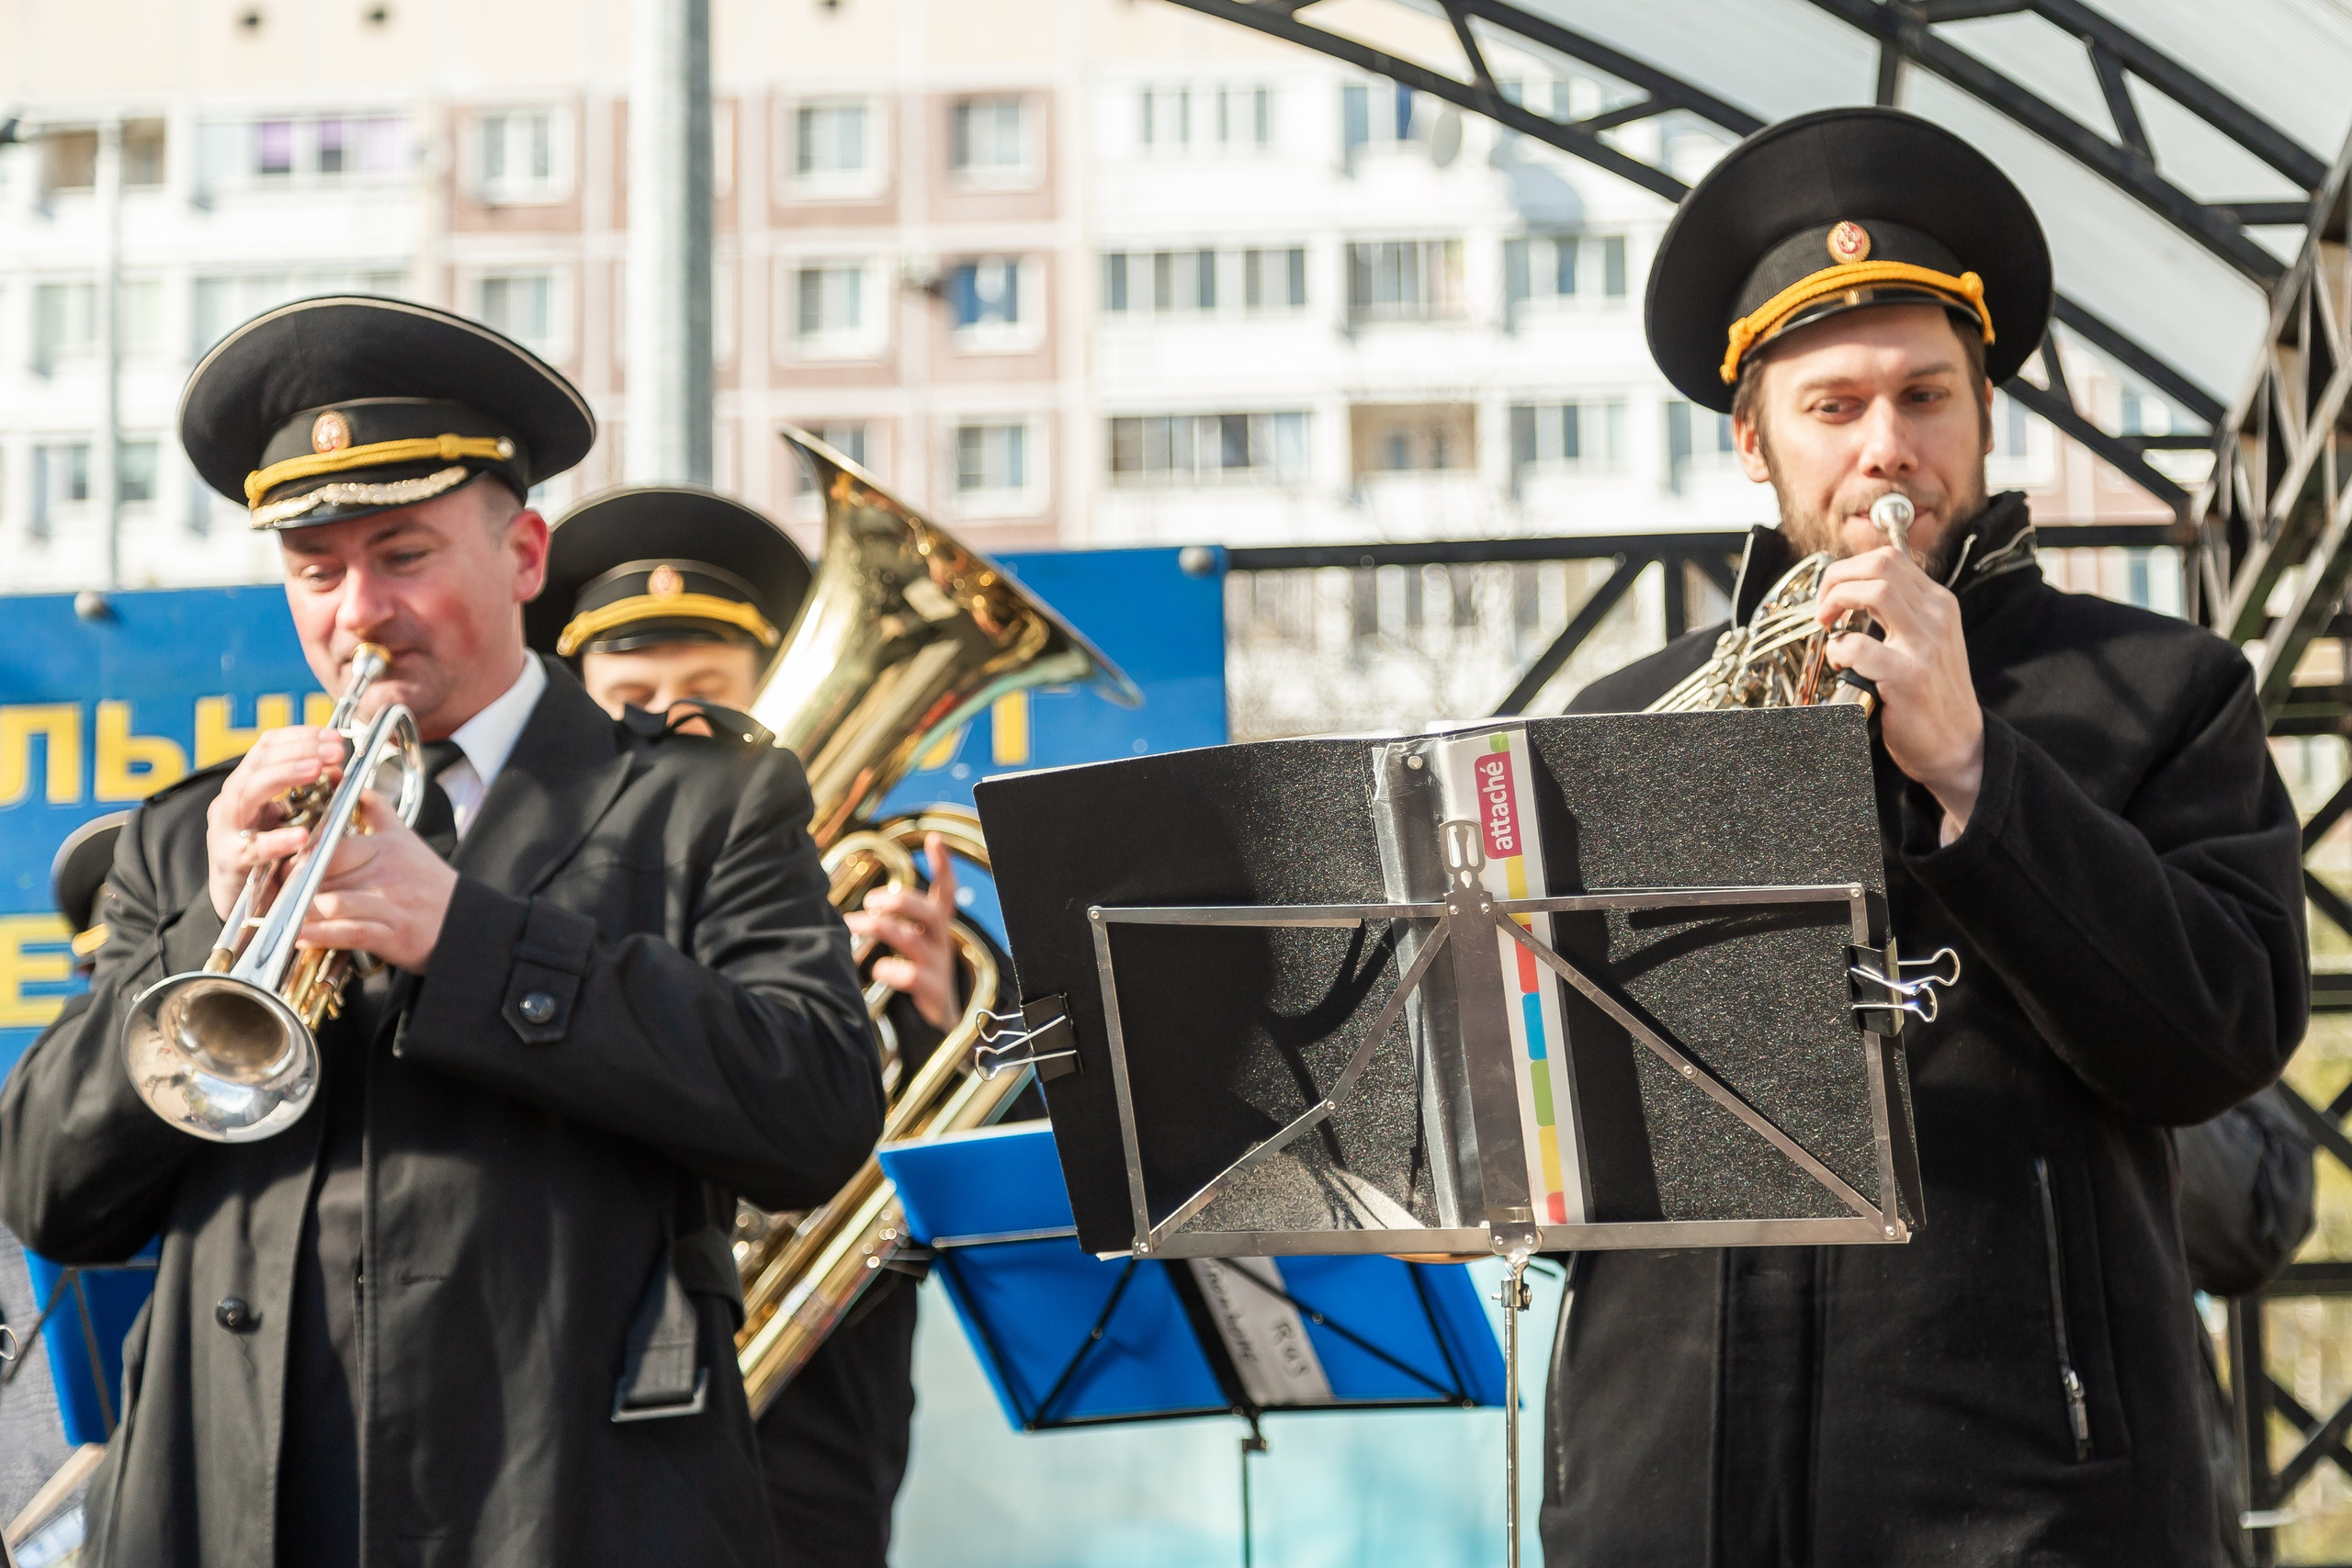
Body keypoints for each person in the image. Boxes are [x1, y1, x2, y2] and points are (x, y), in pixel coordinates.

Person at [0, 296, 883, 1568]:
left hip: (561, 1503)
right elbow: (46, 1189)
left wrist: (470, 936)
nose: (358, 610)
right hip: (232, 1504)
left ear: (524, 553)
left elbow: (817, 1110)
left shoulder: (703, 802)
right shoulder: (189, 833)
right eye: (316, 570)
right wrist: (207, 926)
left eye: (403, 553)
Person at [1542, 107, 2309, 1564]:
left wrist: (1976, 767)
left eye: (1925, 395)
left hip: (2037, 1514)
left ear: (1984, 410)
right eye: (1833, 406)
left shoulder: (2159, 689)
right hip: (1669, 1505)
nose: (1887, 450)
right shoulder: (1625, 715)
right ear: (1751, 435)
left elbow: (2218, 1039)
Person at [528, 482, 971, 1566]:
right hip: (560, 1391)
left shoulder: (890, 894)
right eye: (630, 693)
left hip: (811, 1410)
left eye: (709, 691)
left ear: (764, 693)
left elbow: (997, 1193)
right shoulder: (521, 889)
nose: (671, 721)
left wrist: (947, 1029)